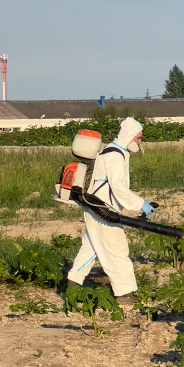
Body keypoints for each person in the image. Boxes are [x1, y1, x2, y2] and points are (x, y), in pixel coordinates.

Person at [68, 116, 155, 304]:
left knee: (91, 248)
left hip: (96, 208)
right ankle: (124, 293)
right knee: (117, 251)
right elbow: (118, 187)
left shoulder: (112, 151)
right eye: (137, 137)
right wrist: (139, 204)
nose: (139, 142)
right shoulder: (115, 156)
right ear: (130, 136)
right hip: (103, 210)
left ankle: (72, 285)